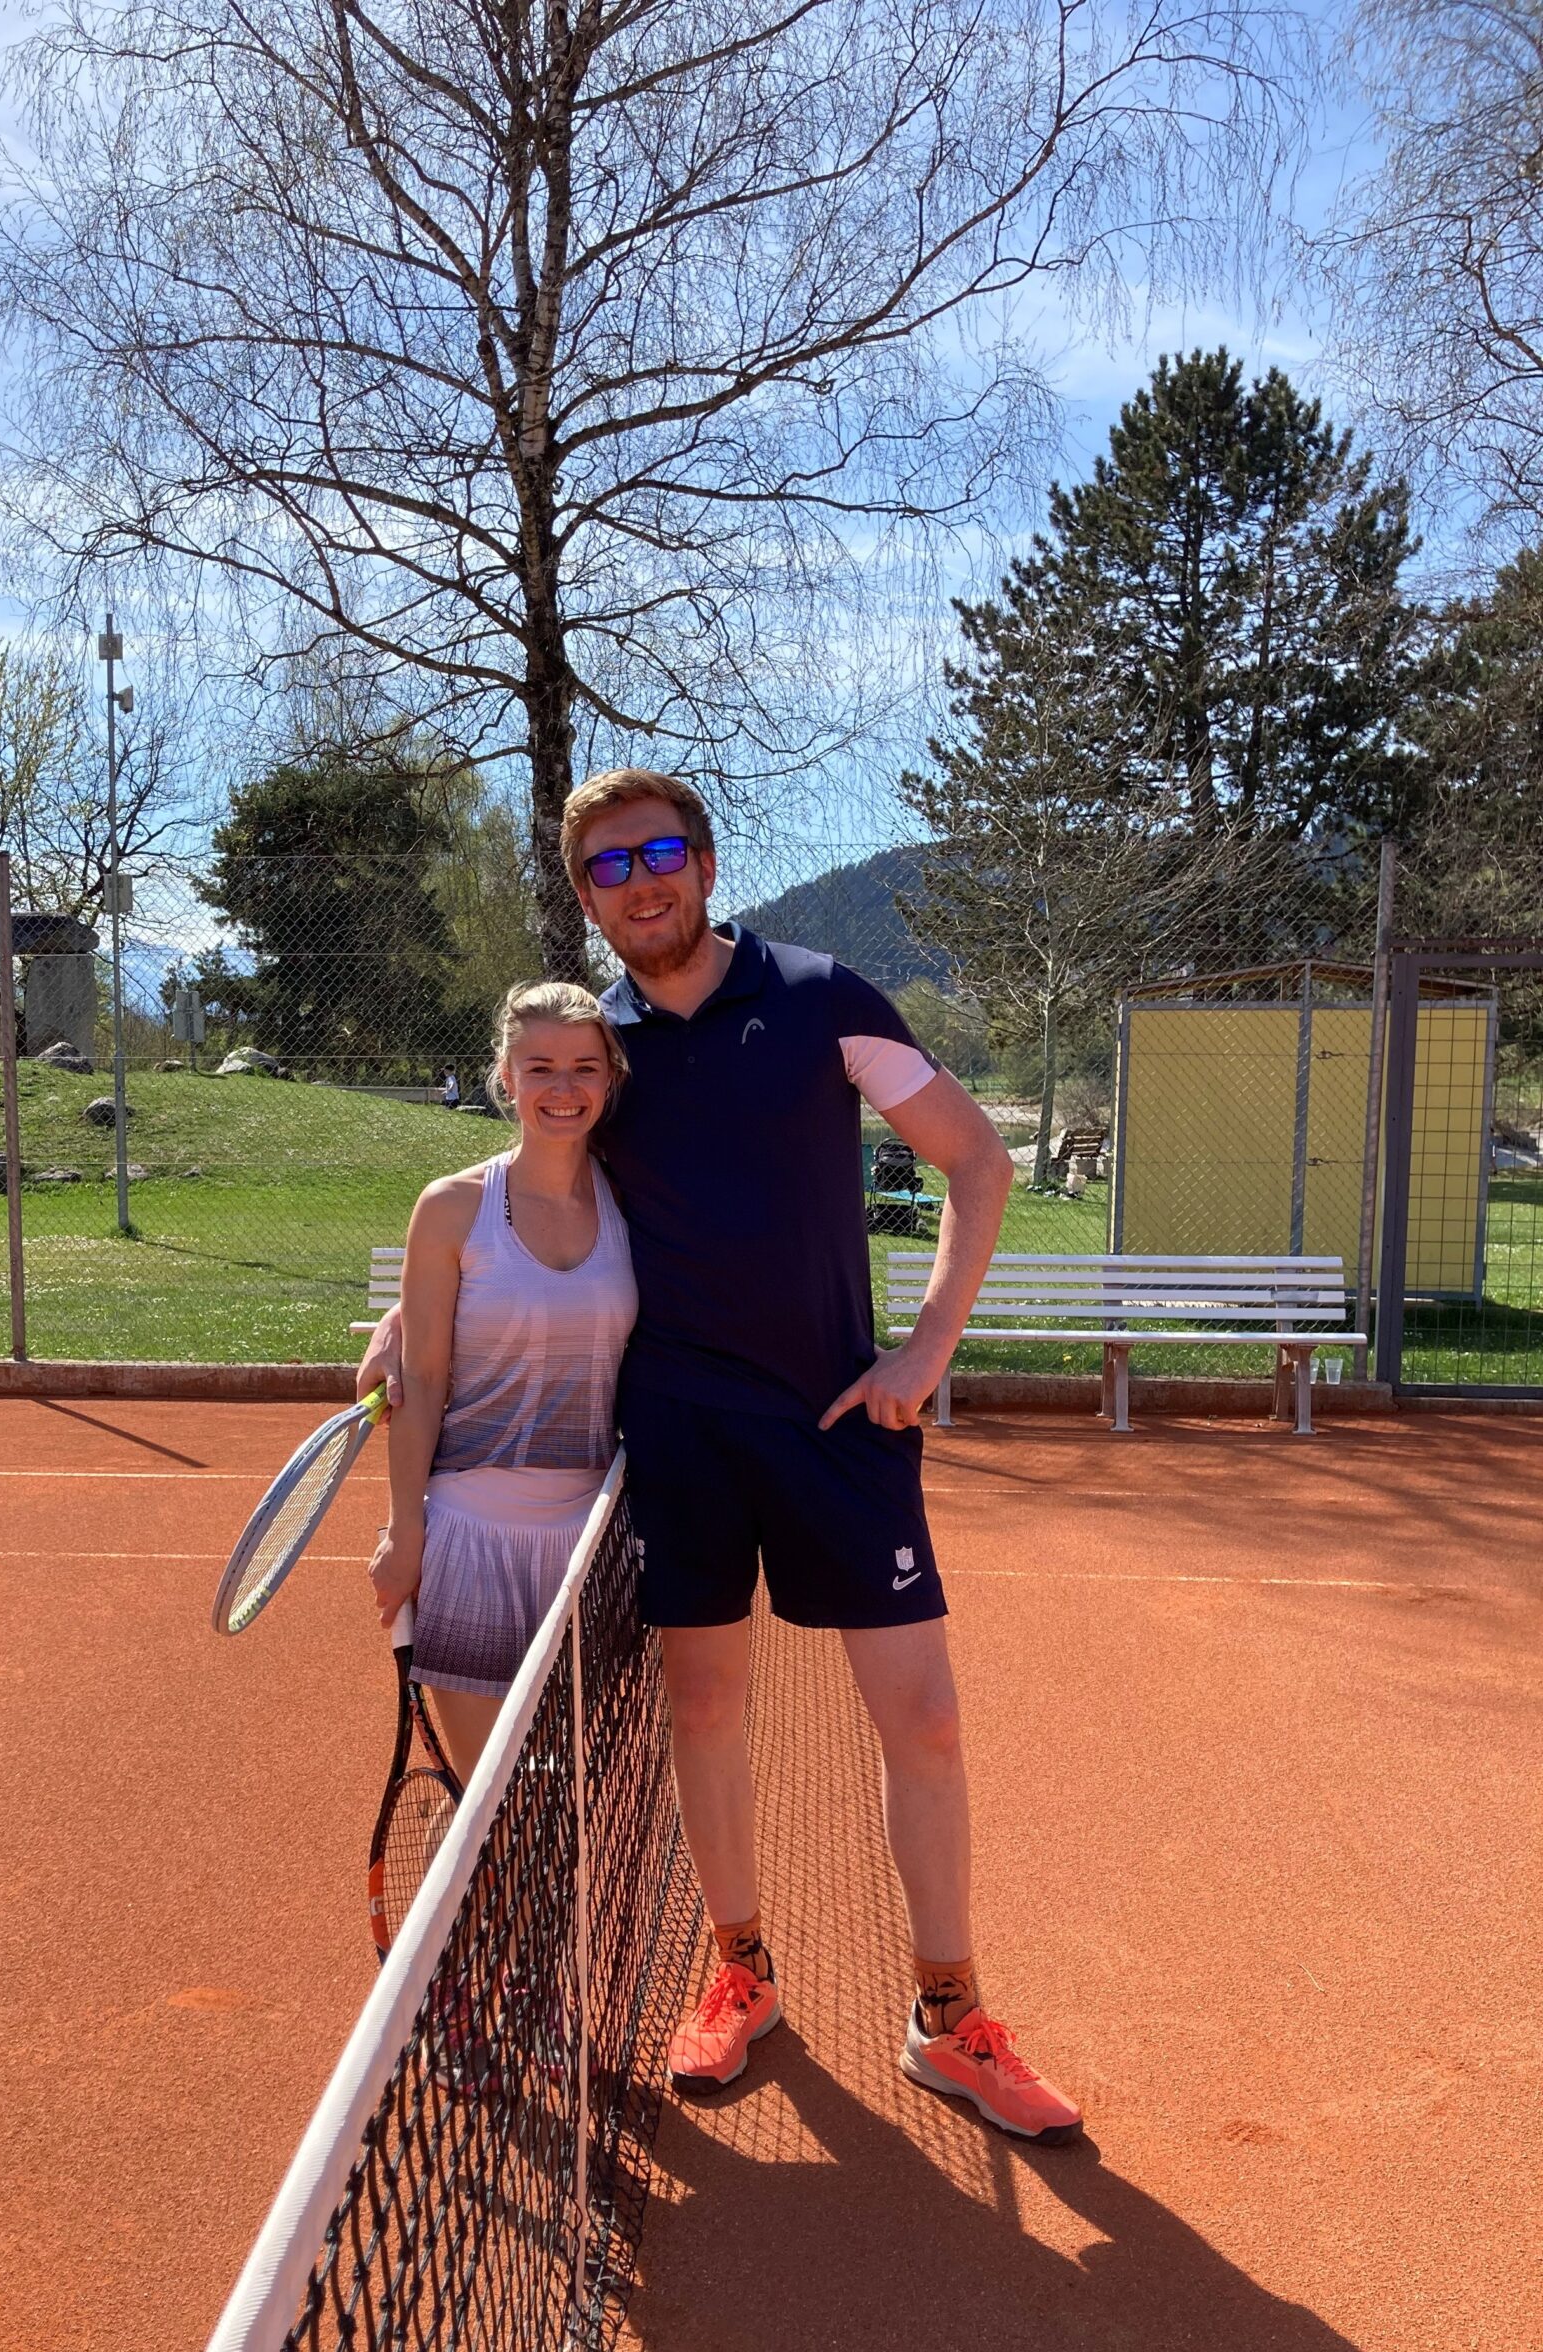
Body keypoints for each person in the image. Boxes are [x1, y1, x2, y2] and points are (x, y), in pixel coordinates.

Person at [363, 770, 1082, 2145]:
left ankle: (949, 2015)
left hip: (841, 1425)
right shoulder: (603, 1048)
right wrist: (423, 1308)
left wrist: (926, 1348)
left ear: (702, 861)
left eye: (659, 853)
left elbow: (977, 1163)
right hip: (679, 1433)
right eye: (607, 866)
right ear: (586, 898)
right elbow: (536, 1183)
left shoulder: (823, 999)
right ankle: (741, 1968)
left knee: (925, 1721)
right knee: (704, 1709)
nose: (640, 881)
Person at [368, 983, 637, 1787]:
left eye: (585, 1067)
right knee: (489, 1805)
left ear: (611, 1079)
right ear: (506, 1076)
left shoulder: (635, 1201)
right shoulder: (451, 1207)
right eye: (540, 1067)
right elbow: (422, 1380)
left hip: (593, 1542)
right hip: (469, 1537)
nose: (564, 1088)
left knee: (569, 1806)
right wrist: (404, 1535)